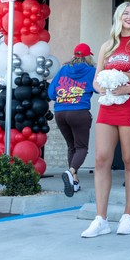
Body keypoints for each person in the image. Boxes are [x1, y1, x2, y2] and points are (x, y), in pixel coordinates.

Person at [81, 2, 130, 238]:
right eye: (126, 13)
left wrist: (128, 89)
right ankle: (100, 218)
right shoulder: (107, 46)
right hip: (109, 106)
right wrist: (102, 88)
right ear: (118, 17)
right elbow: (95, 80)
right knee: (102, 158)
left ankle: (127, 216)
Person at [51, 42, 96, 197]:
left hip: (60, 113)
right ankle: (71, 171)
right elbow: (97, 88)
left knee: (72, 147)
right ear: (88, 56)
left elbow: (51, 94)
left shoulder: (63, 70)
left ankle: (74, 181)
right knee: (82, 147)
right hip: (79, 112)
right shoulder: (91, 71)